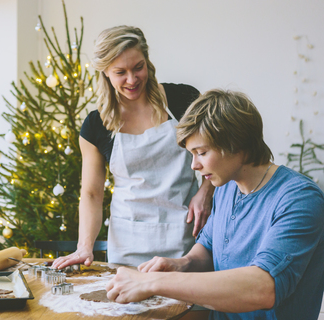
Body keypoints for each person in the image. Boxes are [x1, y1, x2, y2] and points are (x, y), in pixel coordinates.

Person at [105, 89, 324, 319]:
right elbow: (208, 249)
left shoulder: (299, 199)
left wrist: (154, 282)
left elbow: (263, 287)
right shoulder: (227, 187)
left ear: (237, 144)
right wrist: (182, 263)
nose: (194, 165)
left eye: (201, 152)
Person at [52, 25, 215, 269]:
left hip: (186, 235)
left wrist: (205, 192)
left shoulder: (184, 100)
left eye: (138, 67)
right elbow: (92, 194)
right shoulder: (96, 126)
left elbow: (215, 151)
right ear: (105, 72)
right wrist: (84, 245)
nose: (132, 79)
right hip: (128, 243)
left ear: (147, 61)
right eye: (120, 72)